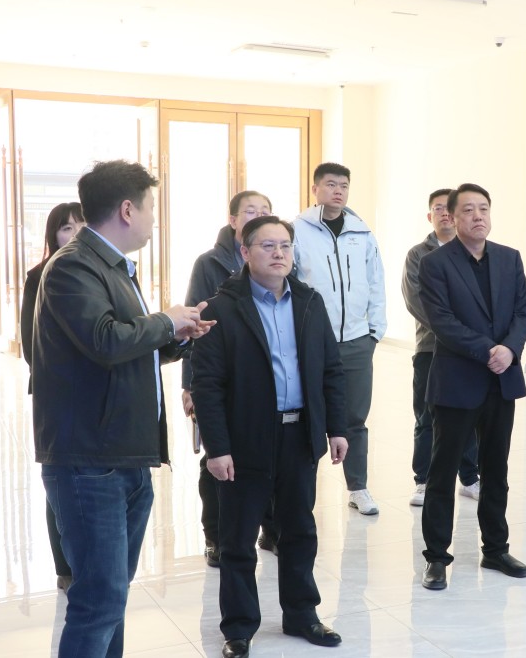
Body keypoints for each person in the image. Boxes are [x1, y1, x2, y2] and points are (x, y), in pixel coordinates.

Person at [31, 160, 213, 656]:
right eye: (151, 208)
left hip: (124, 453)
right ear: (128, 210)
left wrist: (178, 335)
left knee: (111, 597)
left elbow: (128, 348)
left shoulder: (112, 267)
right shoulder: (73, 266)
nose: (154, 219)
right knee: (98, 601)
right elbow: (105, 340)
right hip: (90, 460)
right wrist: (165, 320)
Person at [191, 216, 348, 656]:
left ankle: (302, 613)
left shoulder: (310, 302)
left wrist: (337, 427)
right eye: (267, 246)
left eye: (285, 245)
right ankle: (239, 627)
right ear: (245, 252)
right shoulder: (221, 309)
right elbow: (207, 385)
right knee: (238, 539)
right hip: (246, 440)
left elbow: (331, 370)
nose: (279, 253)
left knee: (299, 530)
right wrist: (217, 448)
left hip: (299, 435)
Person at [418, 183, 526, 591]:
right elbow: (442, 321)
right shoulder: (435, 263)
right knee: (443, 471)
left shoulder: (508, 258)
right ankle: (436, 557)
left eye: (483, 208)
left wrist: (510, 349)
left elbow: (523, 311)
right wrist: (489, 350)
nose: (478, 216)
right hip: (457, 381)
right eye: (468, 209)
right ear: (452, 217)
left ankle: (496, 549)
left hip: (501, 380)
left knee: (496, 468)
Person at [179, 191, 278, 566]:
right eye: (250, 211)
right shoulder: (210, 263)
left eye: (265, 210)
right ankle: (216, 537)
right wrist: (190, 384)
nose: (258, 215)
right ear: (233, 219)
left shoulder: (280, 259)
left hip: (268, 378)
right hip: (222, 375)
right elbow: (196, 324)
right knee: (218, 458)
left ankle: (271, 530)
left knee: (271, 455)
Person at [292, 162, 386, 515]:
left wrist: (375, 331)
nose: (338, 191)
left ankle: (358, 488)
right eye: (331, 184)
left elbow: (376, 282)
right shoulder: (297, 231)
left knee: (355, 418)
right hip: (313, 341)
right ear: (315, 189)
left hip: (358, 340)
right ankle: (301, 491)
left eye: (344, 185)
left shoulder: (362, 233)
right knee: (308, 416)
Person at [21, 201, 84, 592]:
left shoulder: (106, 273)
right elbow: (32, 345)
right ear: (53, 235)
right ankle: (65, 567)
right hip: (56, 394)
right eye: (66, 228)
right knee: (59, 478)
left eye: (81, 225)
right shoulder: (39, 276)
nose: (74, 234)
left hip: (97, 396)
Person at [401, 188, 479, 506]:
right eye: (438, 208)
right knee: (427, 417)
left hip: (467, 351)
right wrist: (454, 332)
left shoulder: (472, 251)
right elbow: (416, 300)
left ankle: (470, 478)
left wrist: (469, 339)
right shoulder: (418, 255)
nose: (444, 213)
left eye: (449, 208)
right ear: (429, 215)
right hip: (431, 348)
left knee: (469, 414)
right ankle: (423, 480)